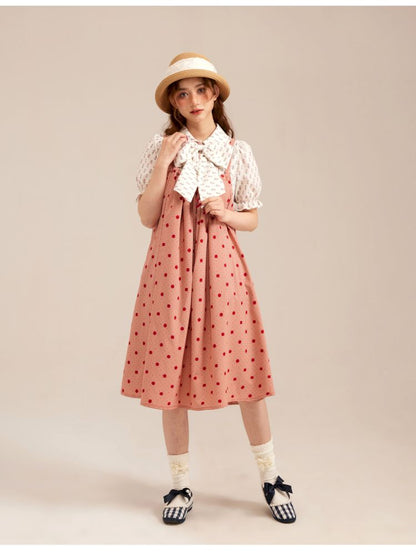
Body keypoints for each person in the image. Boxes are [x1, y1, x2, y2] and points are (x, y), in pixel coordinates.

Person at [121, 52, 296, 525]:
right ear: (174, 104)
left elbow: (252, 218)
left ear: (214, 94)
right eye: (183, 94)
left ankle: (272, 477)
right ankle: (180, 485)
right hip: (169, 270)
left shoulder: (237, 152)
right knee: (169, 379)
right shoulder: (161, 148)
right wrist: (164, 160)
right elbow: (147, 216)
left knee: (246, 373)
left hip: (222, 267)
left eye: (201, 90)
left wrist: (227, 213)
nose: (193, 100)